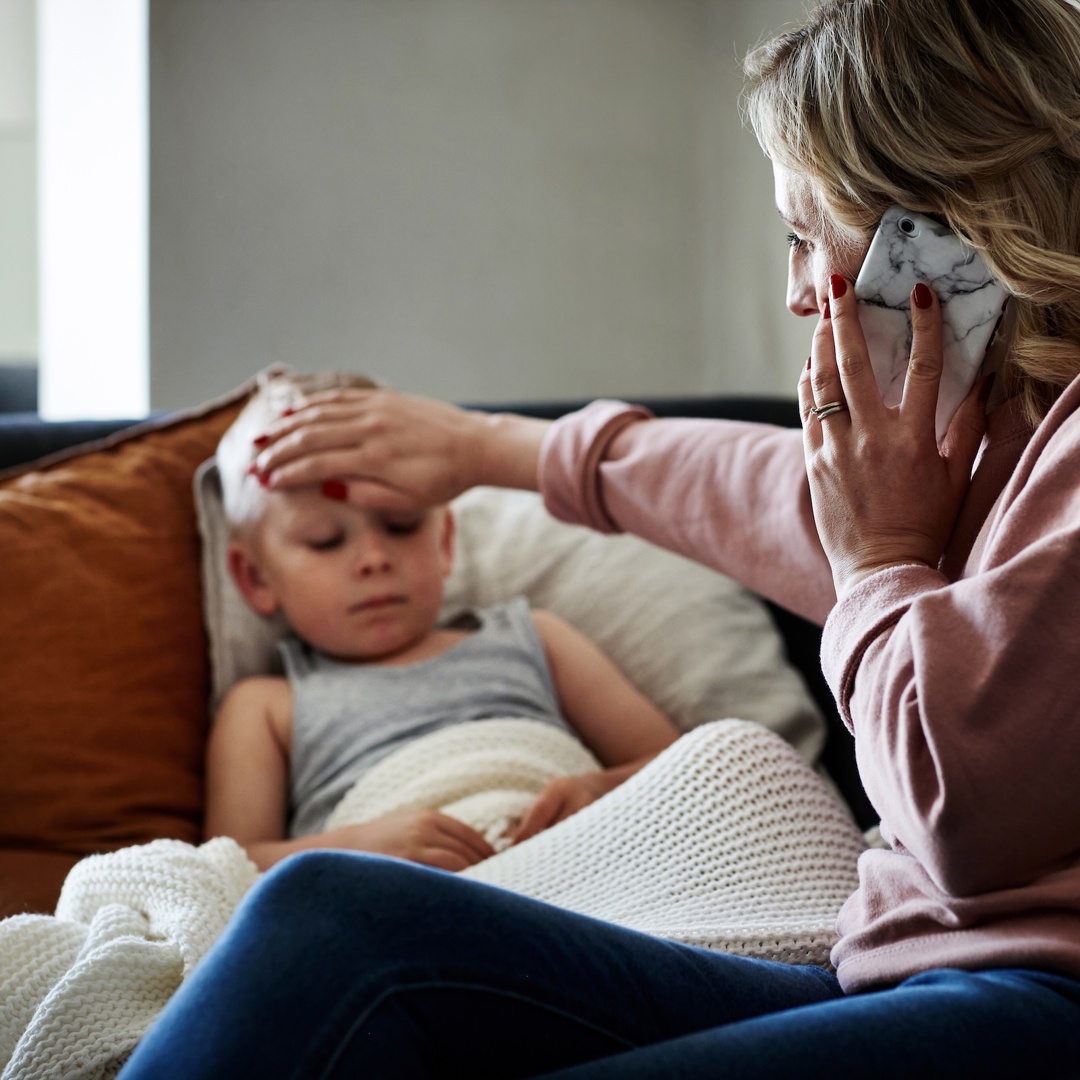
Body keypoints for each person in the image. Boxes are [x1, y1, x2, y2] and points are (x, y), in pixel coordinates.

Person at [119, 0, 1080, 1075]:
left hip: (1035, 996)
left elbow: (965, 816)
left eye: (809, 235)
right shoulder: (993, 429)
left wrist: (882, 564)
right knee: (328, 920)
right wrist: (492, 450)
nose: (802, 293)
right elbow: (771, 498)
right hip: (896, 972)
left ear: (947, 223)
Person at [207, 373, 679, 871]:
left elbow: (687, 766)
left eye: (401, 526)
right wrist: (356, 849)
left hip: (579, 872)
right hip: (398, 902)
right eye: (326, 540)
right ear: (255, 578)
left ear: (445, 541)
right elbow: (224, 871)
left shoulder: (534, 638)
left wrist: (599, 792)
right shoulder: (265, 707)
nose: (373, 558)